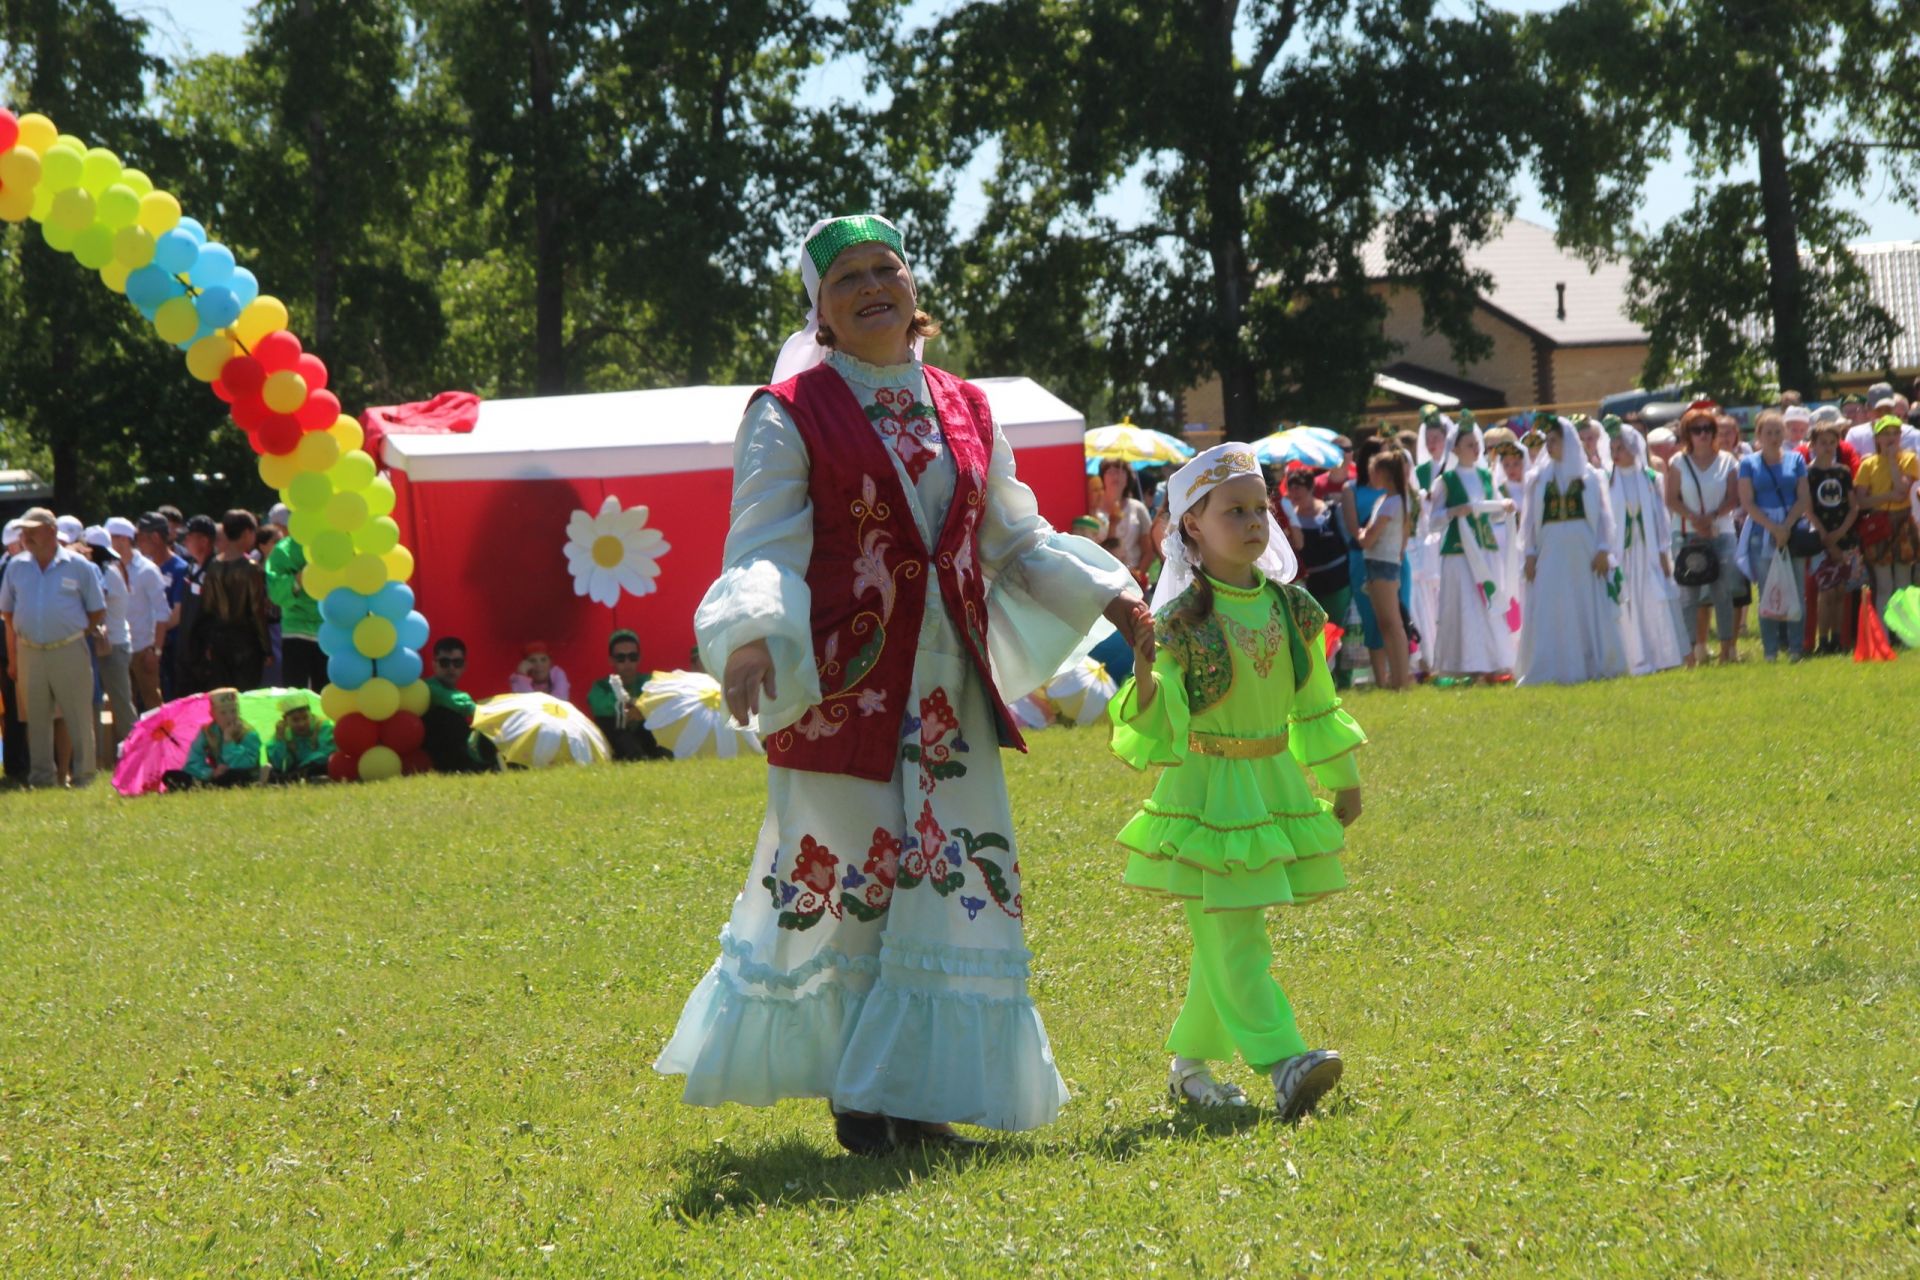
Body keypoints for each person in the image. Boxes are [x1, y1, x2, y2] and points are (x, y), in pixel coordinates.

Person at [655, 213, 1142, 1155]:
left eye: (888, 269)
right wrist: (753, 637)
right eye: (848, 280)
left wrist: (1115, 595)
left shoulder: (968, 406)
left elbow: (1015, 538)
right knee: (854, 889)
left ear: (915, 291)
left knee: (947, 883)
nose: (873, 286)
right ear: (821, 314)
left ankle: (910, 1100)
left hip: (948, 694)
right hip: (844, 693)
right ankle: (864, 1098)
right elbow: (762, 543)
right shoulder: (788, 410)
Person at [1107, 442, 1364, 1120]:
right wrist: (1143, 671)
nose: (1254, 522)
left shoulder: (1293, 609)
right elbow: (1164, 716)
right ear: (1191, 523)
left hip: (1270, 787)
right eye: (1234, 510)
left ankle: (1190, 1070)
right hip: (1208, 796)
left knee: (1231, 931)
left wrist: (1342, 776)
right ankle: (1285, 1061)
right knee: (1235, 935)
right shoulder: (1183, 623)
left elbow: (1314, 702)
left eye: (1260, 508)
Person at [0, 508, 108, 788]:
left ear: (51, 530)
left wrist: (72, 632)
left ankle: (84, 775)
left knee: (78, 715)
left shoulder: (78, 565)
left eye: (32, 530)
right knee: (36, 719)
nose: (26, 537)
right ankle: (42, 778)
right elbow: (8, 613)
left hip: (69, 649)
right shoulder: (16, 567)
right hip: (30, 651)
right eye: (23, 532)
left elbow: (97, 610)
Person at [1516, 417, 1627, 686]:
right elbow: (1529, 521)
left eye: (1555, 440)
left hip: (1584, 553)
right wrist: (1529, 554)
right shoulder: (1537, 478)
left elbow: (1603, 517)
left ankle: (1591, 662)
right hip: (1550, 552)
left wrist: (1603, 549)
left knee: (1584, 605)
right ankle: (1551, 665)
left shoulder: (1590, 476)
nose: (1550, 446)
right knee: (1552, 605)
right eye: (1548, 441)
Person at [1425, 418, 1515, 682]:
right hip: (1459, 553)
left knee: (1487, 605)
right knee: (1466, 606)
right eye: (1469, 445)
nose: (1476, 449)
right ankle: (1468, 664)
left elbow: (1494, 512)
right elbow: (1434, 521)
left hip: (1485, 550)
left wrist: (1505, 507)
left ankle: (1492, 662)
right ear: (1455, 449)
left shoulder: (1486, 475)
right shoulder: (1446, 480)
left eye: (1477, 445)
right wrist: (1455, 511)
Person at [1665, 408, 1742, 667]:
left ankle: (1726, 650)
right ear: (1687, 433)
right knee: (1688, 595)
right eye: (1697, 430)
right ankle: (1688, 654)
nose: (1703, 435)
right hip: (1686, 533)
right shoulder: (1678, 461)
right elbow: (1671, 498)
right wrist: (1694, 519)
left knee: (1722, 592)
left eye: (1708, 429)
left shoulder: (1728, 461)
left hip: (1721, 532)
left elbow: (1734, 497)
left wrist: (1711, 517)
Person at [1737, 410, 1813, 662]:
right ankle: (1770, 650)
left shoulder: (1796, 460)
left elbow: (1803, 497)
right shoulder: (1749, 463)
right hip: (1762, 531)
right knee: (1768, 592)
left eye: (1778, 431)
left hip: (1792, 527)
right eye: (1768, 432)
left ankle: (1795, 648)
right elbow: (1747, 502)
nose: (1773, 437)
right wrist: (1773, 527)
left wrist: (1787, 526)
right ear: (1758, 435)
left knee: (1796, 590)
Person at [1609, 430, 1684, 675]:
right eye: (1613, 448)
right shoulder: (1608, 479)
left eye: (1621, 448)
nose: (1615, 453)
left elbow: (1660, 518)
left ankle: (1659, 652)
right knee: (1626, 597)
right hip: (1623, 551)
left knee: (1652, 597)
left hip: (1647, 549)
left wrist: (1663, 552)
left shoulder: (1650, 478)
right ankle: (1632, 654)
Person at [1282, 466, 1356, 689]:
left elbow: (1346, 542)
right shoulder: (1290, 519)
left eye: (1300, 490)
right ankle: (1324, 678)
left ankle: (1345, 678)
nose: (1295, 496)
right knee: (1317, 631)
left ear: (1311, 488)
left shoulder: (1329, 511)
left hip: (1338, 578)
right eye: (1292, 491)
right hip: (1311, 583)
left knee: (1340, 627)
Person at [1851, 414, 1919, 626]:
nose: (1891, 438)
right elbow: (1861, 501)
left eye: (1895, 433)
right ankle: (1883, 634)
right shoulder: (1868, 464)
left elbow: (1902, 490)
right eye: (1885, 434)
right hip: (1879, 524)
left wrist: (1891, 461)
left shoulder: (1908, 459)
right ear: (1877, 438)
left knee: (1903, 582)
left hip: (1903, 523)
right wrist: (1886, 497)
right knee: (1883, 585)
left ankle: (1904, 633)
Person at [1356, 449, 1413, 691]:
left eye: (1373, 469)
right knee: (1387, 624)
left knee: (1392, 624)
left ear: (1383, 473)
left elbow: (1368, 538)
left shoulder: (1392, 502)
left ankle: (1401, 678)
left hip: (1382, 564)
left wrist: (1358, 533)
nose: (1369, 473)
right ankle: (1397, 678)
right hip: (1382, 563)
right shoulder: (1391, 500)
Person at [199, 509, 271, 690]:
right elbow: (257, 610)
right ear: (247, 533)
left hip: (219, 641)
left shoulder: (213, 566)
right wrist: (267, 648)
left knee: (225, 699)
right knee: (247, 698)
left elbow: (207, 607)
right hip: (246, 643)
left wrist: (208, 643)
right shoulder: (251, 568)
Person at [1804, 419, 1859, 655]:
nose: (1827, 447)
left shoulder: (1843, 472)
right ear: (1813, 445)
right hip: (1820, 539)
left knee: (1840, 591)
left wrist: (1841, 532)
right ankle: (1822, 640)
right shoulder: (1808, 473)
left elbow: (1853, 506)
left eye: (1832, 442)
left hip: (1844, 535)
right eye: (1822, 443)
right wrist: (1826, 537)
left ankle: (1838, 638)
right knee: (1825, 592)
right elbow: (1808, 509)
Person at [82, 527, 138, 755]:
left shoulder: (105, 573)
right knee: (120, 702)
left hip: (111, 646)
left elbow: (96, 607)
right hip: (116, 644)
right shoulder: (114, 569)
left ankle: (134, 753)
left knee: (121, 704)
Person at [1407, 408, 1450, 680]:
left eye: (1437, 437)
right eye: (1429, 438)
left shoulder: (1452, 466)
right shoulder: (1421, 470)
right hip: (1426, 541)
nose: (1433, 442)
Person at [588, 629, 670, 761]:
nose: (627, 663)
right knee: (611, 723)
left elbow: (664, 699)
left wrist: (642, 710)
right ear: (611, 660)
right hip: (617, 742)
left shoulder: (650, 681)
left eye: (632, 657)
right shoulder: (601, 686)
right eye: (621, 658)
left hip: (648, 738)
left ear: (639, 658)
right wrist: (628, 709)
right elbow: (599, 705)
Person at [422, 636, 496, 773]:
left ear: (464, 666)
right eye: (444, 662)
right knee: (445, 716)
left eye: (457, 663)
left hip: (457, 756)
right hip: (435, 756)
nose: (451, 668)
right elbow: (455, 702)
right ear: (434, 665)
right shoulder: (426, 687)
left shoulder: (460, 695)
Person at [163, 687, 262, 790]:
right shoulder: (208, 732)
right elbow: (193, 762)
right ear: (213, 714)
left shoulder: (248, 733)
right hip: (216, 775)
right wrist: (211, 773)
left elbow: (247, 763)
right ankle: (209, 784)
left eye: (233, 711)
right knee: (170, 775)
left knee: (234, 776)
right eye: (223, 713)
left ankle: (206, 786)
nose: (230, 717)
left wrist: (229, 742)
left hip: (240, 773)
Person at [264, 533, 325, 691]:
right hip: (296, 633)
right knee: (296, 700)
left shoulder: (341, 541)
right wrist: (301, 577)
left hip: (332, 633)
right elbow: (275, 594)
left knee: (328, 698)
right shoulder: (284, 549)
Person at [169, 514, 218, 696]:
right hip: (186, 651)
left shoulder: (216, 569)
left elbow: (218, 611)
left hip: (204, 655)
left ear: (204, 541)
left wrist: (211, 645)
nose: (185, 541)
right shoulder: (190, 568)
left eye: (189, 537)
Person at [1094, 458, 1154, 573]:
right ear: (1102, 477)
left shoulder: (1138, 508)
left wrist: (1138, 577)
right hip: (1102, 574)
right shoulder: (1094, 509)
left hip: (1132, 574)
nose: (1115, 475)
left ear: (1128, 478)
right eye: (1110, 471)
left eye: (1120, 471)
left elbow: (1148, 550)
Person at [267, 697, 334, 782]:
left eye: (305, 718)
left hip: (318, 766)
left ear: (311, 715)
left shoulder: (323, 726)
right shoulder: (284, 731)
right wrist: (280, 740)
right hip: (297, 769)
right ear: (285, 720)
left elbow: (327, 753)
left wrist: (302, 766)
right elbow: (279, 764)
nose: (301, 724)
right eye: (295, 720)